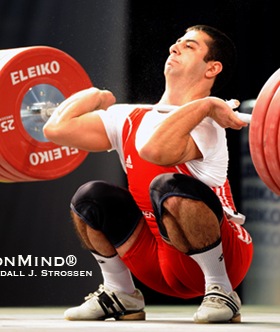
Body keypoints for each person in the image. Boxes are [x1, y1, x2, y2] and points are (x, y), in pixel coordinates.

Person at [43, 25, 253, 323]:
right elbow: (56, 129)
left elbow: (155, 151)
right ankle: (121, 293)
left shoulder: (209, 123)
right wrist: (96, 96)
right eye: (176, 42)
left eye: (190, 46)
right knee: (90, 197)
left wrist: (205, 105)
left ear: (212, 68)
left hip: (224, 257)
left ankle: (222, 291)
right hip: (157, 257)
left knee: (167, 186)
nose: (174, 48)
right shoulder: (129, 117)